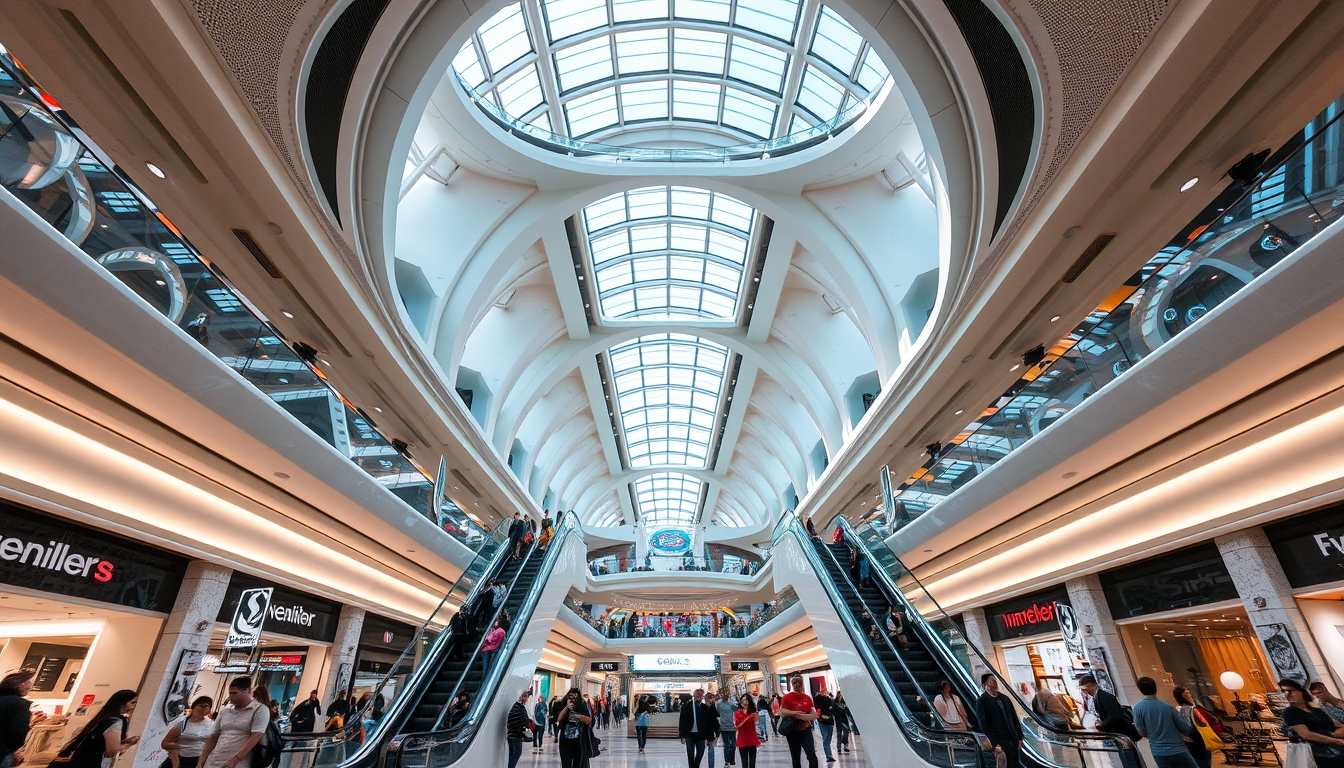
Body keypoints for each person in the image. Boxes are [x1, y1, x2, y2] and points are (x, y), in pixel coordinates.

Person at [55, 689, 140, 768]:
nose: (135, 706)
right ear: (123, 703)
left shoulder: (104, 718)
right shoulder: (116, 721)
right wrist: (130, 744)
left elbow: (102, 742)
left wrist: (124, 742)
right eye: (133, 703)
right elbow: (110, 751)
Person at [201, 678, 269, 768]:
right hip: (214, 760)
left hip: (238, 762)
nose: (231, 696)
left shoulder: (260, 710)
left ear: (246, 691)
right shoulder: (225, 710)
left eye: (234, 693)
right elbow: (214, 736)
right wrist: (202, 758)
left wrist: (235, 760)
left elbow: (256, 736)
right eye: (230, 693)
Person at [1131, 677, 1198, 768]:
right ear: (1155, 688)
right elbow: (1185, 728)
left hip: (1158, 751)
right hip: (1179, 749)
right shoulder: (1168, 708)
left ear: (1140, 690)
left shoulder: (1137, 708)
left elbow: (1141, 731)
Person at [1280, 679, 1344, 768]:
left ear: (1301, 692)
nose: (1287, 694)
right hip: (1315, 754)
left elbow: (1336, 725)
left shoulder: (1317, 711)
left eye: (1290, 690)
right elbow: (1306, 735)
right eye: (1283, 691)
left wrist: (1336, 735)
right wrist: (1335, 740)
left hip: (1332, 750)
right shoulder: (1290, 712)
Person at [975, 674, 1022, 768]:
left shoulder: (1004, 698)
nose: (994, 683)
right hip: (1000, 740)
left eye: (995, 681)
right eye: (991, 681)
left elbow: (1014, 717)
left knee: (1015, 763)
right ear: (985, 685)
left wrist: (1020, 736)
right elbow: (983, 723)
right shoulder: (982, 701)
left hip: (1012, 739)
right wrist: (995, 742)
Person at [162, 696, 215, 768]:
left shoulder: (212, 724)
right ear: (193, 707)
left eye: (207, 706)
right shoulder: (183, 723)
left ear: (209, 710)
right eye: (201, 706)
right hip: (181, 759)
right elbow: (165, 743)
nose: (204, 709)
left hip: (199, 760)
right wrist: (178, 748)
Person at [779, 676, 819, 768]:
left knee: (811, 755)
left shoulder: (807, 698)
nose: (797, 684)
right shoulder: (787, 697)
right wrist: (796, 714)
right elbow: (782, 712)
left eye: (799, 682)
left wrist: (806, 716)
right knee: (795, 756)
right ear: (792, 684)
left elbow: (814, 714)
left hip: (805, 729)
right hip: (792, 730)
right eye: (795, 682)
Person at [0, 671, 36, 768]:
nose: (30, 686)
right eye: (29, 682)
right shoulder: (20, 705)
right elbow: (17, 733)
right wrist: (14, 750)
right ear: (20, 684)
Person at [1171, 688, 1211, 768]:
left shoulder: (1180, 709)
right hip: (1199, 739)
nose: (1190, 695)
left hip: (1191, 742)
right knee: (1203, 761)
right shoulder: (1189, 709)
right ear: (1183, 695)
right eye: (1187, 693)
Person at [679, 689, 719, 768]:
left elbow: (711, 720)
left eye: (701, 693)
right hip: (689, 734)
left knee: (700, 754)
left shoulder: (705, 707)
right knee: (690, 754)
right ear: (693, 694)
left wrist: (711, 706)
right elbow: (682, 721)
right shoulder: (686, 706)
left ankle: (695, 766)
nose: (698, 694)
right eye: (697, 693)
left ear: (703, 696)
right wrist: (682, 735)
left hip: (701, 735)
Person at [556, 687, 595, 768]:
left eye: (575, 698)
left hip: (579, 742)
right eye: (570, 698)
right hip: (565, 742)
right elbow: (558, 719)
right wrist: (567, 707)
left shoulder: (583, 705)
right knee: (566, 764)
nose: (573, 700)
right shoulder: (563, 705)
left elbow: (590, 721)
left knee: (578, 764)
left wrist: (579, 717)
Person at [506, 690, 532, 768]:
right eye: (527, 697)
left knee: (512, 754)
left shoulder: (513, 706)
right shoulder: (521, 707)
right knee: (517, 753)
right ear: (524, 698)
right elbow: (526, 721)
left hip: (510, 734)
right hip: (517, 734)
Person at [735, 693, 761, 768]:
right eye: (743, 700)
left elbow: (757, 722)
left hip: (752, 739)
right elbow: (738, 725)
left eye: (747, 700)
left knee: (752, 764)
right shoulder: (738, 713)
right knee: (744, 763)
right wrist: (748, 716)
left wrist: (752, 714)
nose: (745, 702)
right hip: (742, 740)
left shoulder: (753, 712)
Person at [715, 691, 738, 766]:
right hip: (723, 727)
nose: (725, 695)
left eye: (727, 694)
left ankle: (731, 759)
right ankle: (727, 760)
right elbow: (717, 711)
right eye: (724, 694)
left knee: (733, 745)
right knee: (726, 744)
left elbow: (736, 708)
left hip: (732, 727)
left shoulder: (731, 703)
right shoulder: (719, 704)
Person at [814, 685, 836, 762]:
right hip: (822, 721)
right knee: (826, 737)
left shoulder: (829, 699)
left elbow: (832, 708)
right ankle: (829, 755)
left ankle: (829, 755)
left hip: (829, 721)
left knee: (828, 737)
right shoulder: (818, 698)